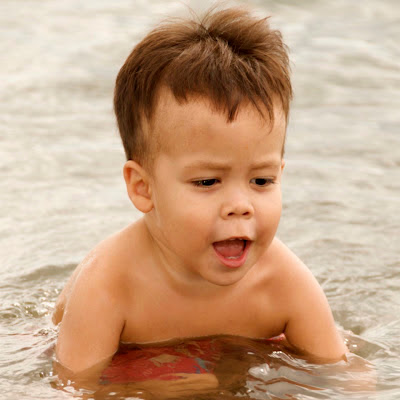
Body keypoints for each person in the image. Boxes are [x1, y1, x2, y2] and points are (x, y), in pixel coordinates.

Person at [52, 5, 347, 388]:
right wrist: (139, 384)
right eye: (208, 182)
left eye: (261, 180)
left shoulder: (284, 283)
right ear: (143, 188)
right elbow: (71, 386)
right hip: (112, 354)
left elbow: (343, 376)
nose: (240, 205)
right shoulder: (110, 286)